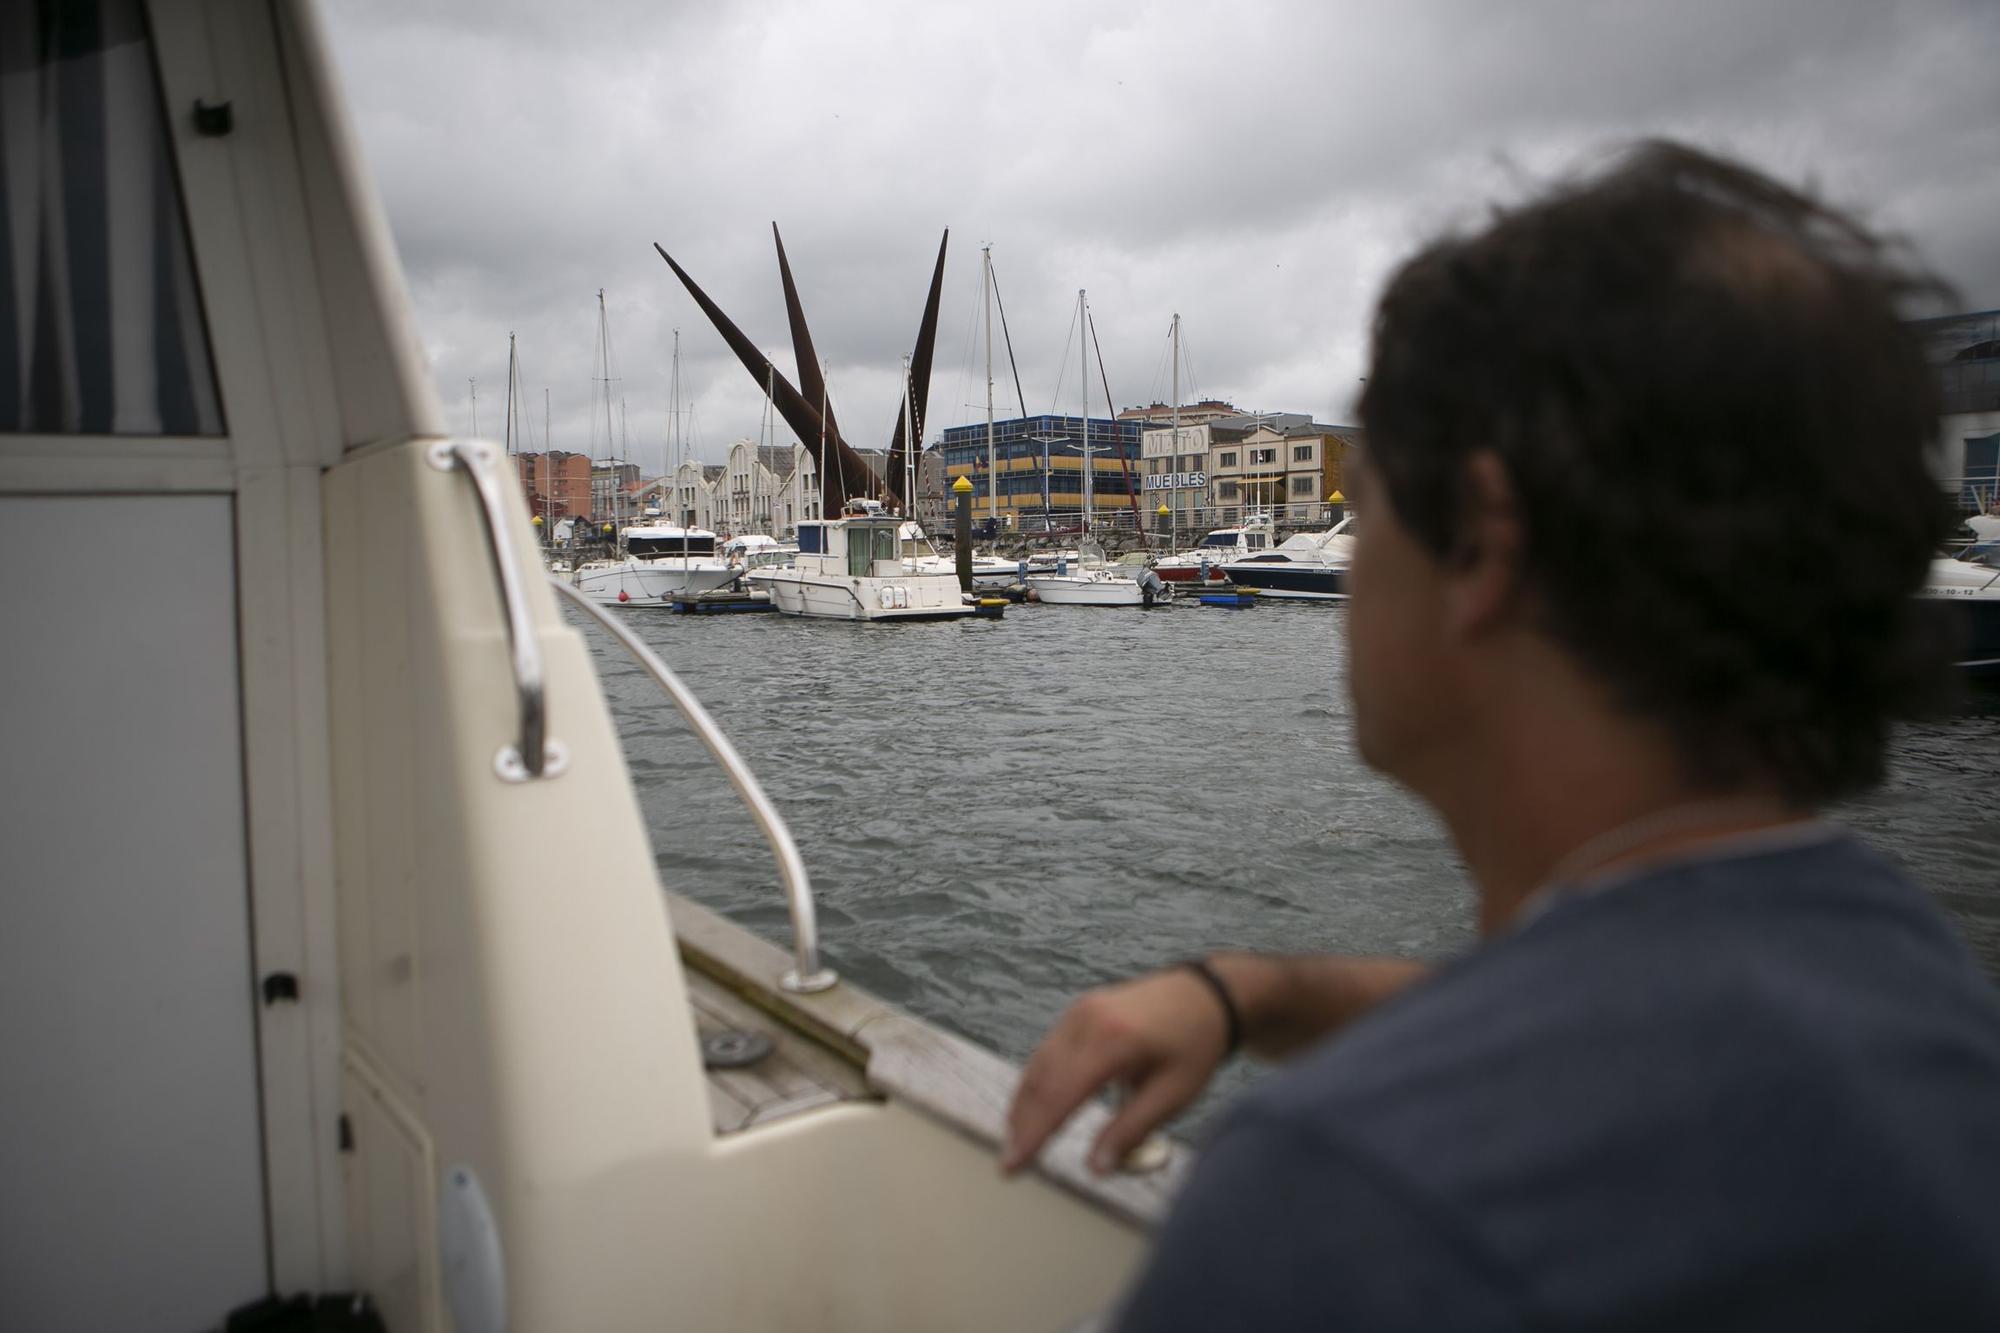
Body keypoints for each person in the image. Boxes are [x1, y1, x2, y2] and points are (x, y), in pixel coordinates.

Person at [1003, 142, 2000, 1329]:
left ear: (1480, 544)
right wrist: (1262, 991)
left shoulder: (1345, 1204)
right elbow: (1648, 1039)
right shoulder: (1914, 986)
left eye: (1363, 503)